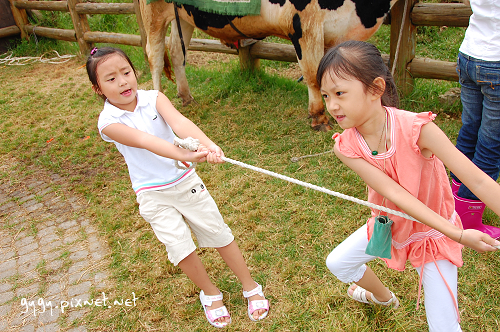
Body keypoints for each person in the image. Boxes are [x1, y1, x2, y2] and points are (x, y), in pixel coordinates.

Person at [318, 40, 500, 331]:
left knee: (443, 327)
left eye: (340, 93)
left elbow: (476, 178)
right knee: (338, 263)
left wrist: (454, 233)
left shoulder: (419, 129)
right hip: (390, 225)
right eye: (326, 95)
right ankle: (382, 297)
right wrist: (460, 234)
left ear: (376, 89)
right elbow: (394, 193)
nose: (332, 105)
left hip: (434, 234)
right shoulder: (346, 146)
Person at [87, 47, 269, 328]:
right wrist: (186, 155)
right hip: (152, 194)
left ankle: (250, 285)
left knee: (218, 232)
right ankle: (210, 294)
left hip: (185, 183)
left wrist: (208, 145)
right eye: (111, 79)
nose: (123, 82)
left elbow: (179, 122)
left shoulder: (154, 98)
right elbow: (147, 141)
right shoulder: (109, 123)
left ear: (135, 72)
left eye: (126, 73)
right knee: (179, 246)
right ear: (97, 89)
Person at [450, 0, 500, 239]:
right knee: (491, 143)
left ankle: (455, 192)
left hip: (470, 53)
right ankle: (468, 214)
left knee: (470, 130)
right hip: (496, 60)